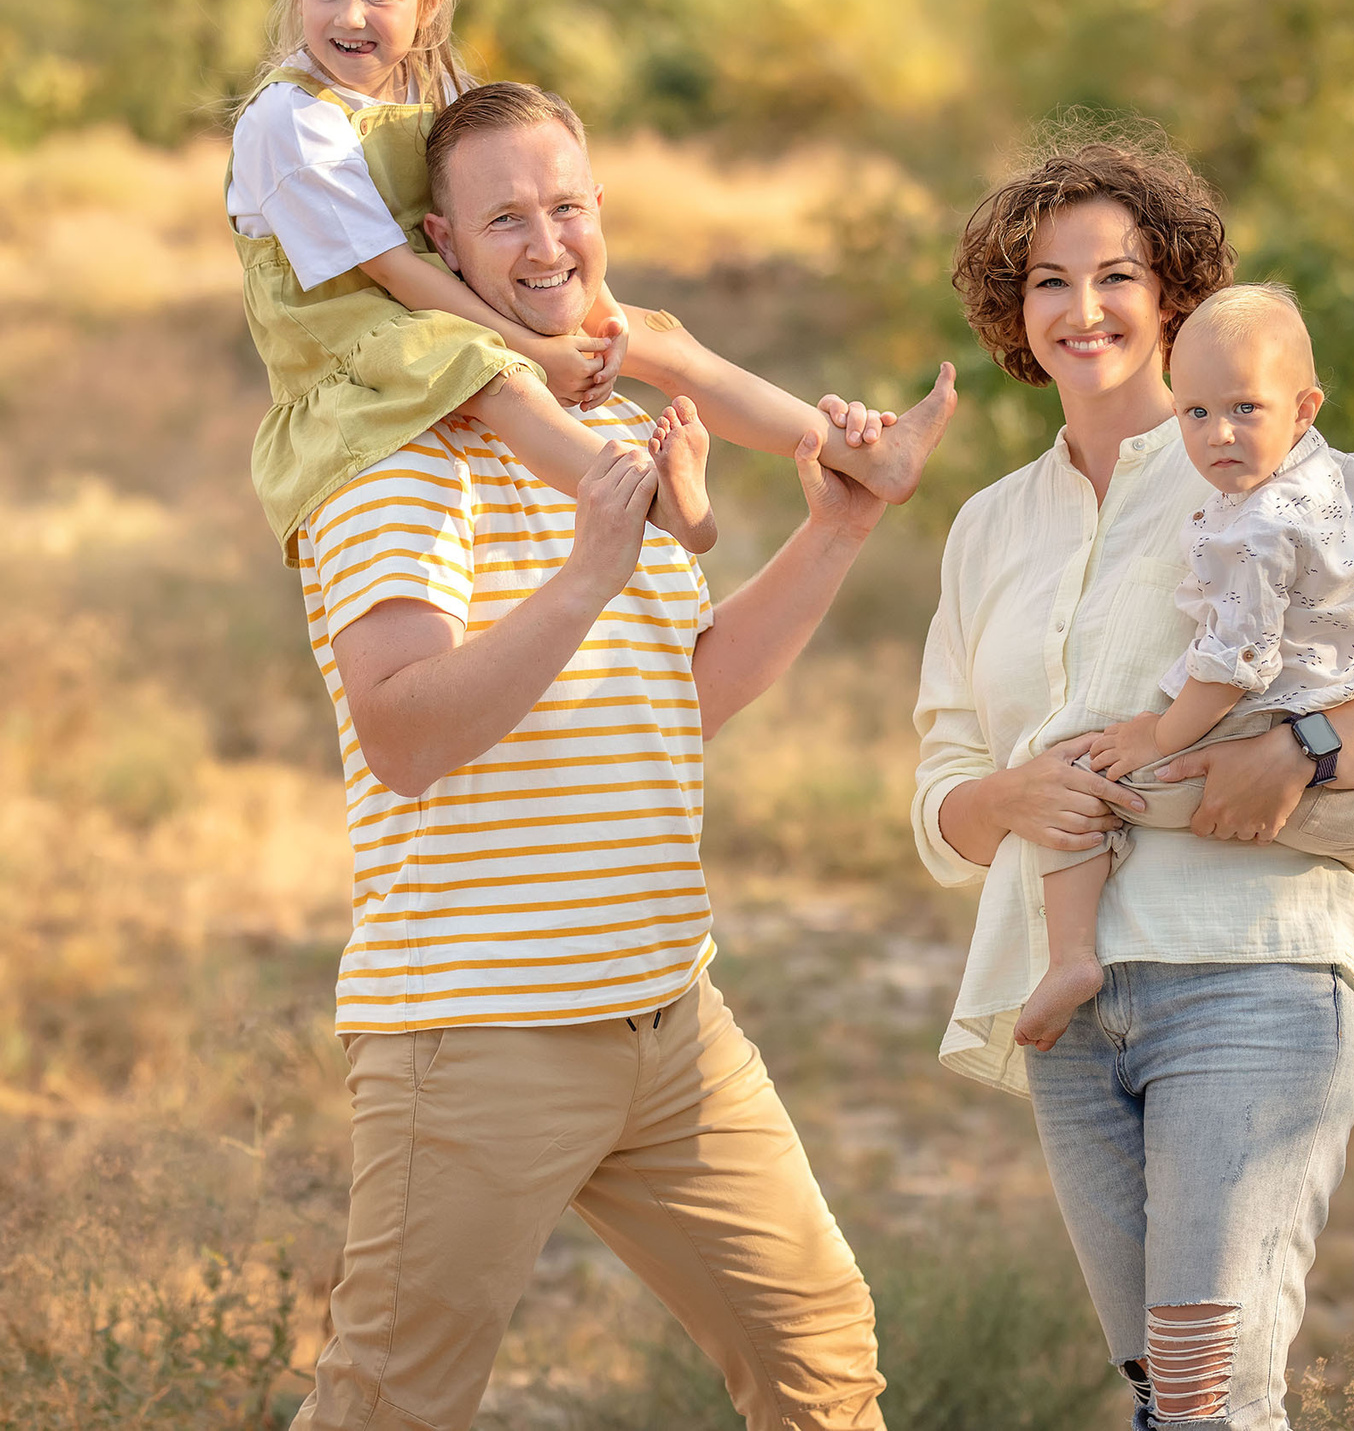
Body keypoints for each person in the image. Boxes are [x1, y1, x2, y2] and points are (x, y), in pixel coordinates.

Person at [291, 81, 925, 1431]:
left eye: (567, 205)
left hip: (669, 1017)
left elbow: (677, 700)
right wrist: (586, 567)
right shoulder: (389, 452)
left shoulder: (614, 429)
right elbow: (404, 731)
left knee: (823, 1358)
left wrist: (834, 532)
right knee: (387, 1406)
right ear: (436, 242)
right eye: (504, 215)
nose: (546, 243)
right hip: (474, 1033)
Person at [910, 127, 1354, 1430]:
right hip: (1064, 1003)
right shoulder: (988, 523)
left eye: (1116, 273)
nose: (1083, 308)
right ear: (1015, 309)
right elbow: (943, 793)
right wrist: (1009, 797)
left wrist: (1305, 745)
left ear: (1175, 293)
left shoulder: (1268, 468)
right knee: (1162, 1391)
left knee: (1213, 1393)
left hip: (1256, 974)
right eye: (1048, 279)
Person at [228, 0, 955, 561]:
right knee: (493, 372)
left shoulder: (434, 86)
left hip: (440, 290)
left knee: (656, 339)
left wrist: (595, 313)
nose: (349, 16)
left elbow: (523, 195)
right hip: (351, 329)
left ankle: (869, 458)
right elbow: (393, 272)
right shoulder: (292, 119)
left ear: (430, 2)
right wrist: (535, 346)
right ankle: (653, 499)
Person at [1015, 283, 1354, 1154]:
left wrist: (1155, 734)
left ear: (1304, 405)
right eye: (1197, 411)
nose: (1218, 435)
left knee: (1078, 777)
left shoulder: (1245, 531)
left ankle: (1070, 959)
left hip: (1250, 756)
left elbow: (1233, 662)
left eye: (1246, 409)